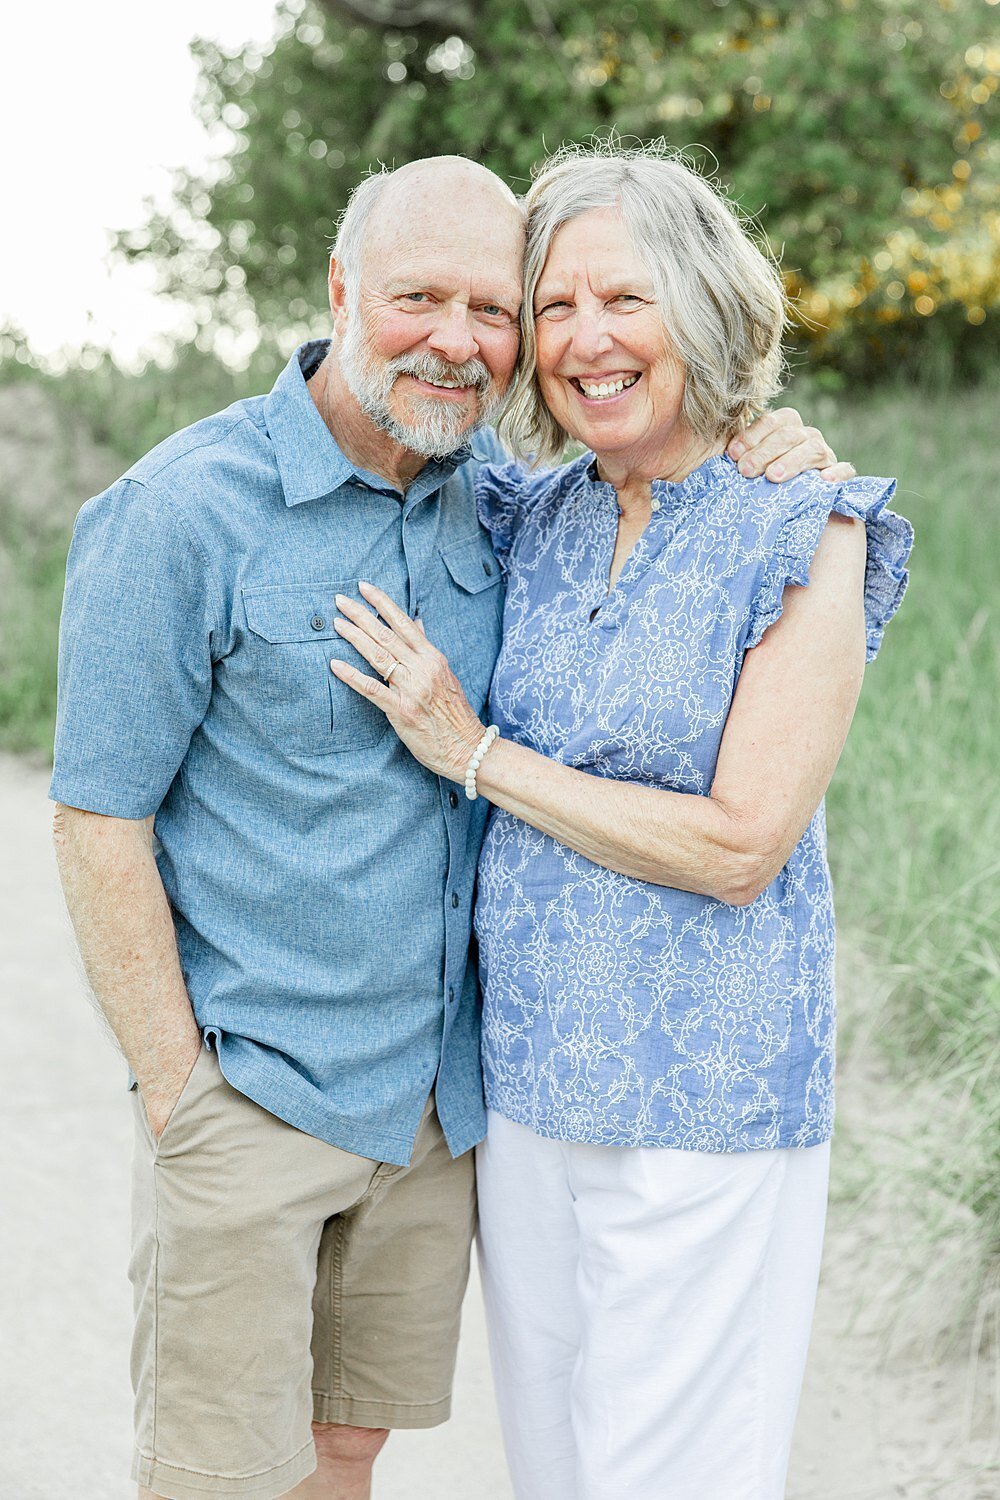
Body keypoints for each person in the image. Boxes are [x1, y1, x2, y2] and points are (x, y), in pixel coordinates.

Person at [51, 153, 847, 1500]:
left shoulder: (499, 499)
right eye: (423, 298)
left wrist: (781, 437)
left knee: (348, 1446)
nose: (461, 340)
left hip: (442, 1106)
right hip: (261, 1087)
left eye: (494, 309)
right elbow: (96, 816)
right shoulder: (181, 512)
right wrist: (176, 1087)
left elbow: (690, 480)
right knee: (221, 1470)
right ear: (341, 287)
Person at [330, 143, 913, 1500]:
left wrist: (475, 755)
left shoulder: (801, 525)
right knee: (560, 1468)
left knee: (672, 1476)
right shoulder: (528, 516)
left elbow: (739, 843)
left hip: (703, 1097)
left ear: (704, 312)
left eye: (627, 302)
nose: (584, 340)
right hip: (529, 1086)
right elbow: (394, 405)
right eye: (554, 308)